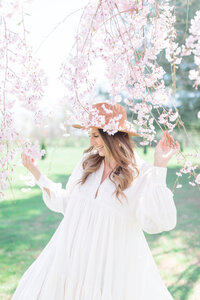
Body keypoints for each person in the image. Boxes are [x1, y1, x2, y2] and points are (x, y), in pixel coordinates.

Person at [12, 102, 180, 300]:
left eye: (95, 135)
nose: (91, 142)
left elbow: (159, 222)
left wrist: (160, 166)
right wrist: (36, 173)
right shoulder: (87, 164)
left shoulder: (140, 174)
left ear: (112, 135)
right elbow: (69, 206)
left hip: (107, 270)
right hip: (72, 259)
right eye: (89, 135)